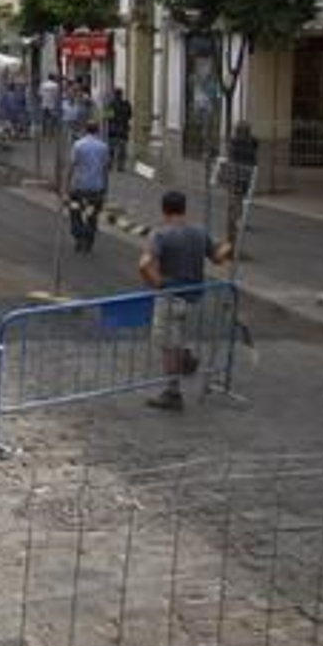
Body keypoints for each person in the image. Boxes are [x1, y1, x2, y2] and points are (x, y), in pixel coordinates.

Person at [139, 190, 233, 412]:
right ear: (184, 208)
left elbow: (143, 264)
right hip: (194, 297)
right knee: (175, 338)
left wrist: (157, 283)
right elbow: (218, 257)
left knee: (167, 345)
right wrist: (230, 244)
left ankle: (173, 392)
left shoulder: (160, 235)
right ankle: (186, 356)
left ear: (164, 210)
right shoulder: (199, 232)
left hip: (171, 297)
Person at [68, 121, 112, 253]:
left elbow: (72, 166)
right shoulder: (103, 147)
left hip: (78, 188)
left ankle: (78, 236)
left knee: (75, 212)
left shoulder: (78, 145)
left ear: (85, 130)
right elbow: (105, 170)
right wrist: (105, 188)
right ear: (98, 130)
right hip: (95, 189)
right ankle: (88, 241)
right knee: (92, 215)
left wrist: (67, 185)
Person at [224, 121, 260, 244]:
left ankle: (237, 220)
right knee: (244, 198)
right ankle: (242, 220)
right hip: (248, 173)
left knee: (236, 198)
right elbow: (255, 151)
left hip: (237, 173)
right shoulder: (253, 141)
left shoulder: (234, 142)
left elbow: (231, 156)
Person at [106, 88, 133, 172]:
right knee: (122, 150)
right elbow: (130, 115)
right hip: (123, 130)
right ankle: (120, 166)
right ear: (121, 95)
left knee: (112, 149)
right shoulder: (126, 104)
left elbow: (108, 117)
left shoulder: (110, 104)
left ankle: (110, 164)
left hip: (113, 130)